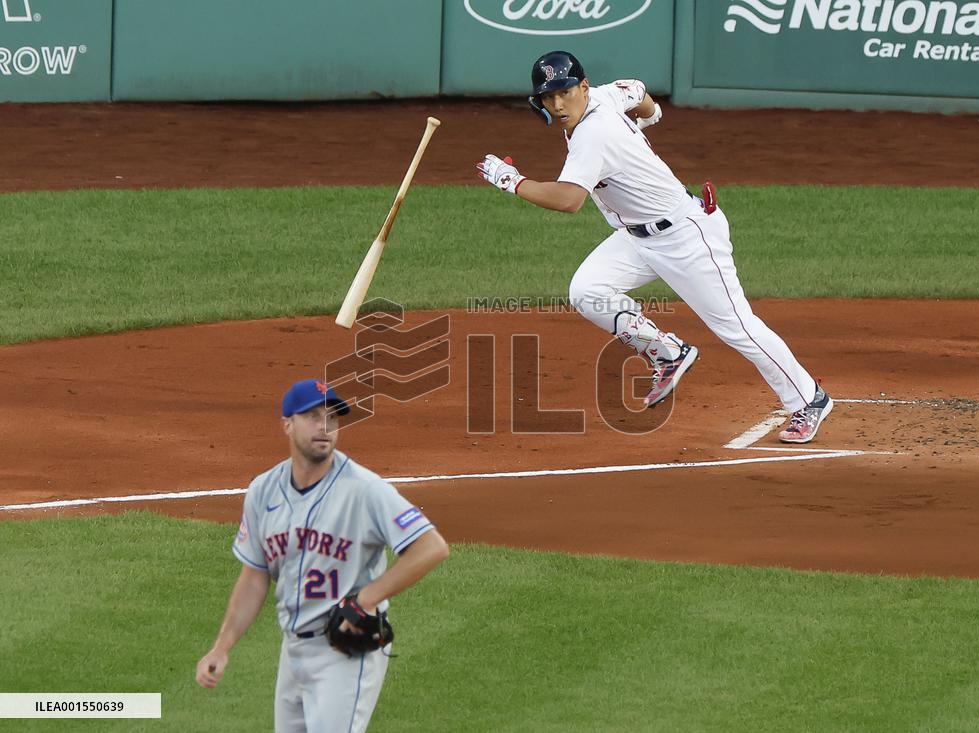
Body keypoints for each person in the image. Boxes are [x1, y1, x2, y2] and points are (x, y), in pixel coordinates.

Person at [476, 50, 833, 443]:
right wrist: (650, 115)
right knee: (587, 290)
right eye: (548, 97)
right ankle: (666, 351)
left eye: (565, 92)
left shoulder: (593, 135)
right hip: (637, 237)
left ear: (582, 87)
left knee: (737, 328)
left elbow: (569, 200)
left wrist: (513, 182)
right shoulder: (604, 97)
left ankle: (808, 398)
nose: (558, 105)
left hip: (686, 237)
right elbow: (638, 90)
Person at [196, 378, 449, 732]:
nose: (324, 426)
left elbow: (431, 547)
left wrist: (366, 599)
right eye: (312, 416)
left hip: (344, 655)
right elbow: (254, 575)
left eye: (332, 417)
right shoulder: (262, 491)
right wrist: (221, 647)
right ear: (287, 424)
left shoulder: (365, 490)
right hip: (293, 651)